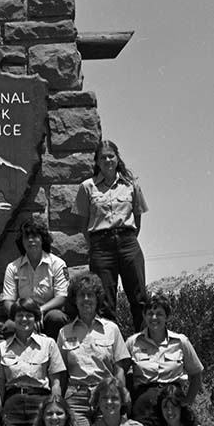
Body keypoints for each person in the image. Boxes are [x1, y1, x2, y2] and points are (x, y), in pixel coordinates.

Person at [76, 140, 148, 332]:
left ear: (117, 158)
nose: (107, 160)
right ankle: (109, 344)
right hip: (101, 247)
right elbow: (83, 224)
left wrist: (126, 238)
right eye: (103, 157)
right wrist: (97, 245)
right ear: (97, 162)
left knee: (139, 296)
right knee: (104, 301)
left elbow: (137, 218)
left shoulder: (131, 185)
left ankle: (143, 341)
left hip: (128, 243)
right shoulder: (87, 187)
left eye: (111, 156)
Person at [57, 272, 129, 426]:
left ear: (97, 299)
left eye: (90, 295)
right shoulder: (64, 332)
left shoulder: (111, 329)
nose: (86, 299)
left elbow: (119, 369)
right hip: (76, 397)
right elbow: (60, 373)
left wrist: (122, 397)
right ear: (75, 300)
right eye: (81, 295)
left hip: (106, 394)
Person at [0, 298, 65, 426]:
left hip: (40, 402)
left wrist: (54, 408)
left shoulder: (48, 344)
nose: (24, 319)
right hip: (13, 404)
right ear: (13, 318)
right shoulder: (2, 348)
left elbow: (56, 382)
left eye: (29, 315)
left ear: (36, 318)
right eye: (19, 315)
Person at [125, 294, 203, 426]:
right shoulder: (133, 342)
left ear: (167, 317)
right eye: (150, 313)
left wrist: (187, 403)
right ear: (144, 316)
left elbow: (196, 375)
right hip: (144, 407)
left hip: (173, 403)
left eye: (159, 314)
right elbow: (120, 372)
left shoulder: (181, 342)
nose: (154, 318)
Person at [0, 217, 70, 339]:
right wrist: (24, 316)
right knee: (9, 326)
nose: (31, 240)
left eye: (35, 236)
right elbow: (7, 301)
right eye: (26, 237)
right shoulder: (13, 267)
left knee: (56, 318)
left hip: (47, 314)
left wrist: (39, 311)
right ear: (22, 241)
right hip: (22, 314)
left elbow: (61, 297)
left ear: (42, 239)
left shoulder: (58, 264)